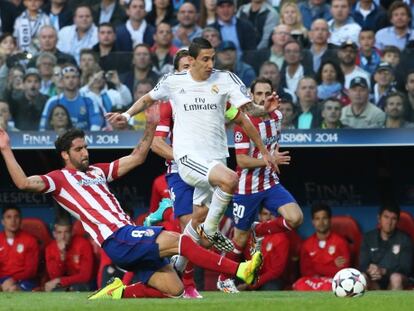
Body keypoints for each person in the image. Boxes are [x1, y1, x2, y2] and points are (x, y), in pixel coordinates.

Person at [0, 117, 263, 300]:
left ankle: (120, 292)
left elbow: (137, 157)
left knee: (175, 290)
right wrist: (6, 149)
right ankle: (238, 269)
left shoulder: (97, 171)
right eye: (79, 149)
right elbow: (23, 182)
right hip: (117, 238)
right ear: (65, 155)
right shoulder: (58, 179)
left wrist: (150, 126)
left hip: (128, 236)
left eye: (86, 147)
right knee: (179, 241)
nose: (85, 153)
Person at [108, 37, 277, 253]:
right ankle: (212, 229)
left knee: (195, 221)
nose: (210, 64)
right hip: (187, 157)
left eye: (212, 59)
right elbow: (148, 99)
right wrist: (126, 115)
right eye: (205, 59)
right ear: (192, 60)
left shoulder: (225, 79)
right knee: (231, 179)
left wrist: (264, 111)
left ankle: (180, 264)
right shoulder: (174, 82)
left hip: (216, 156)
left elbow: (247, 112)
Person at [217, 77, 302, 293]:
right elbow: (242, 161)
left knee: (296, 218)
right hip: (246, 188)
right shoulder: (242, 123)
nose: (263, 98)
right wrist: (269, 159)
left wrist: (273, 156)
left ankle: (260, 228)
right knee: (239, 240)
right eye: (259, 94)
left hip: (270, 182)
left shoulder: (277, 116)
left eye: (267, 94)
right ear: (250, 97)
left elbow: (274, 142)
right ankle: (224, 278)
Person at [293, 203, 350, 291]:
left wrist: (315, 266)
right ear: (313, 222)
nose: (321, 222)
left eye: (324, 218)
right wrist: (332, 264)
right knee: (300, 284)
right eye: (317, 219)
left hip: (333, 281)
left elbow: (343, 271)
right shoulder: (306, 244)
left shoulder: (341, 242)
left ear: (330, 220)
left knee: (333, 285)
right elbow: (305, 271)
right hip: (313, 281)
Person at [360, 205, 413, 290]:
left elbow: (406, 269)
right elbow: (362, 265)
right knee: (362, 277)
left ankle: (396, 303)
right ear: (379, 218)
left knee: (396, 278)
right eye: (386, 217)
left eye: (393, 218)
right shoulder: (368, 237)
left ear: (397, 221)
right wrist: (371, 270)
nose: (389, 222)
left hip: (396, 280)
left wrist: (383, 271)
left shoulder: (405, 239)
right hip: (374, 281)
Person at [237, 207, 290, 291]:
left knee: (271, 287)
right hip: (250, 276)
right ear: (259, 216)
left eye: (272, 214)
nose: (268, 217)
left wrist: (251, 284)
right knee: (232, 280)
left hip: (271, 280)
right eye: (265, 214)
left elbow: (275, 271)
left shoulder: (281, 238)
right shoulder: (250, 235)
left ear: (278, 217)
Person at [39, 65, 103, 131]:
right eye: (67, 77)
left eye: (74, 77)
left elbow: (96, 120)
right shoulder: (53, 101)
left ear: (78, 80)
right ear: (62, 81)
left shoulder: (89, 99)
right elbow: (43, 124)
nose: (71, 80)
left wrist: (91, 137)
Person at [45, 216, 94, 292]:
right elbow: (54, 277)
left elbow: (85, 276)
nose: (63, 237)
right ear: (54, 234)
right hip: (63, 285)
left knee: (75, 288)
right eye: (59, 232)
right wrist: (61, 257)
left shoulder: (83, 244)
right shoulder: (50, 249)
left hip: (83, 284)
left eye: (66, 232)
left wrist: (61, 281)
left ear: (72, 233)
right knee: (51, 288)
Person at [0, 206, 39, 292]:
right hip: (2, 280)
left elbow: (31, 271)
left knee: (13, 289)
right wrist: (4, 281)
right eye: (9, 217)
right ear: (3, 221)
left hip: (25, 280)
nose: (13, 221)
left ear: (21, 220)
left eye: (16, 217)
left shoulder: (30, 240)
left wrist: (12, 279)